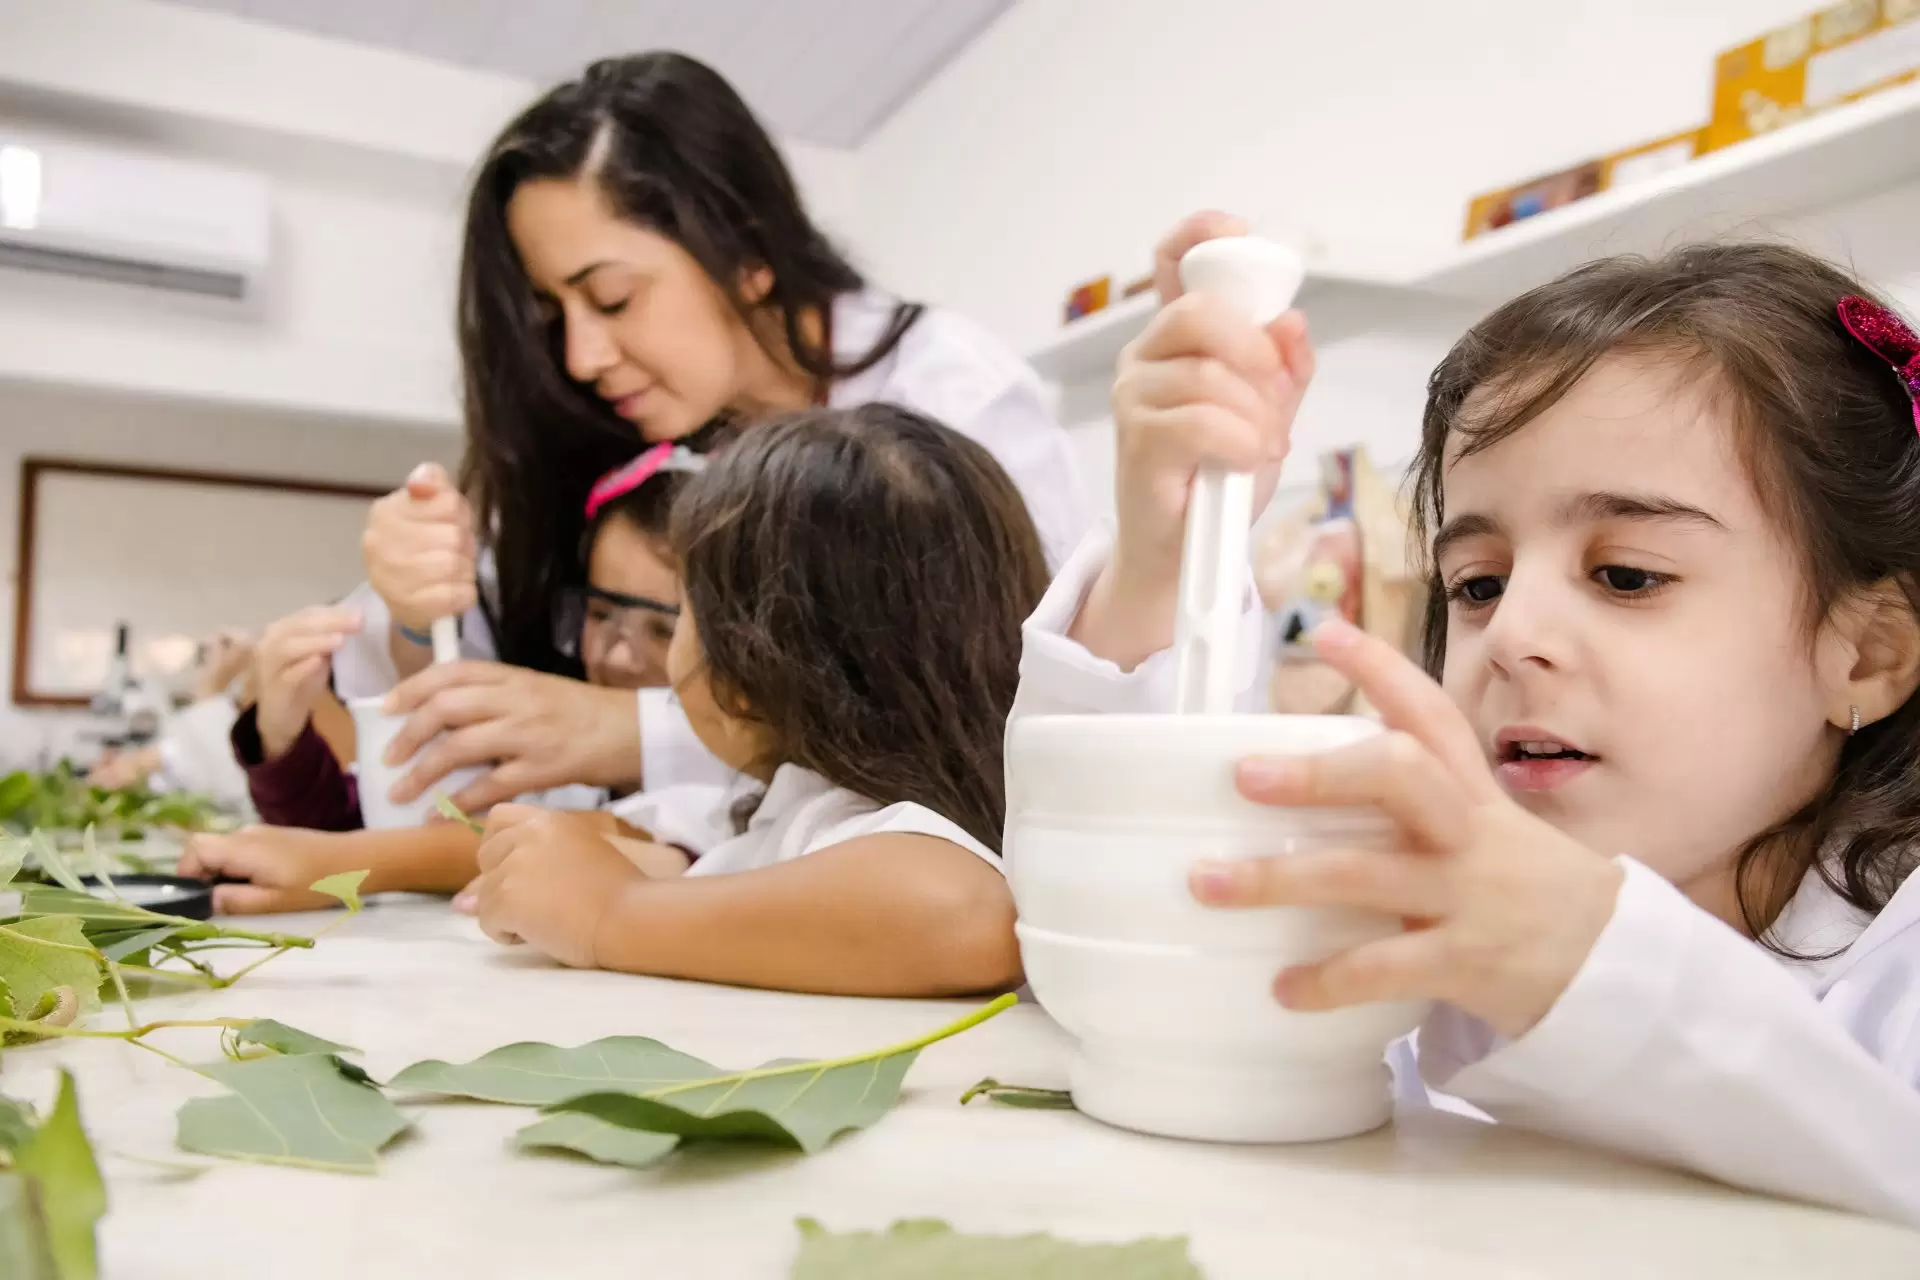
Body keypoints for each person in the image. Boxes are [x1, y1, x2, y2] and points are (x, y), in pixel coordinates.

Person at [1017, 212, 1920, 1226]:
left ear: (1869, 654)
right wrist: (1159, 557)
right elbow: (1131, 950)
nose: (1512, 631)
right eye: (1478, 583)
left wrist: (1598, 968)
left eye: (1626, 575)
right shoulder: (1393, 889)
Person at [333, 51, 1086, 819]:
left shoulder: (945, 397)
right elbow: (467, 709)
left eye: (613, 298)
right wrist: (418, 611)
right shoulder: (623, 433)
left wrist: (635, 731)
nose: (582, 357)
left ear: (749, 250)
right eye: (553, 315)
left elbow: (1017, 708)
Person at [464, 403, 1046, 997]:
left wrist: (611, 913)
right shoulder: (790, 808)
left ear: (737, 679)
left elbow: (965, 913)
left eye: (680, 611)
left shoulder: (851, 820)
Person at [181, 445, 702, 912]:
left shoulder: (732, 784)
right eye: (600, 614)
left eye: (662, 628)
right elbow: (352, 830)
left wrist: (347, 863)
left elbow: (588, 842)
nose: (618, 656)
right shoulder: (550, 759)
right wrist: (280, 735)